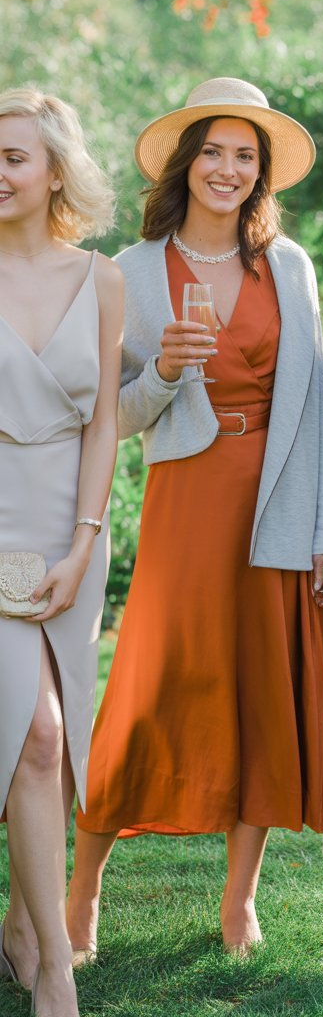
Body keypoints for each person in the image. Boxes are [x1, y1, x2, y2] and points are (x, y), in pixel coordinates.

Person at [65, 78, 323, 961]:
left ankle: (239, 901)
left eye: (245, 156)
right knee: (151, 685)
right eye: (214, 152)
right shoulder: (131, 272)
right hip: (187, 501)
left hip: (276, 496)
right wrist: (165, 374)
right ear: (186, 164)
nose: (228, 169)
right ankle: (81, 894)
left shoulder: (289, 266)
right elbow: (114, 413)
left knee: (263, 694)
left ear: (260, 174)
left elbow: (312, 414)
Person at [0, 89, 122, 1017]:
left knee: (52, 744)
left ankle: (22, 914)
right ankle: (54, 967)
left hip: (70, 530)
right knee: (34, 735)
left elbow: (105, 424)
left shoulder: (103, 278)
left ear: (54, 173)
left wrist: (84, 548)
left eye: (13, 157)